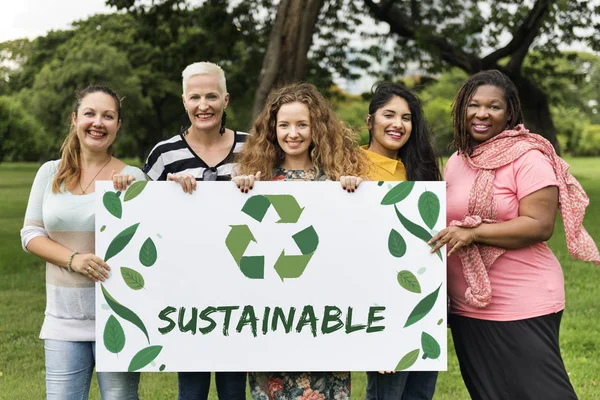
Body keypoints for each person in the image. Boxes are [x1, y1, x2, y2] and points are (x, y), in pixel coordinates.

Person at [429, 69, 600, 400]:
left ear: (509, 113)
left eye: (493, 106)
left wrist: (476, 233)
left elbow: (539, 224)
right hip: (469, 304)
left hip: (522, 299)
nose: (481, 114)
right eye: (473, 105)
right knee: (490, 393)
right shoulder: (457, 160)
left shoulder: (528, 158)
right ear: (461, 109)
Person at [233, 82, 369, 399]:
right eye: (284, 125)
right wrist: (237, 191)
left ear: (315, 129)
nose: (293, 133)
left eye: (301, 125)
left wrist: (354, 192)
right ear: (272, 129)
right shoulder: (258, 183)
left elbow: (354, 245)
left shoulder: (335, 184)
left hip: (323, 322)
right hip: (272, 324)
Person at [20, 84, 144, 399]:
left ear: (119, 125)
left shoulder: (133, 179)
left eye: (108, 116)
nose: (98, 123)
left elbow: (147, 246)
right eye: (90, 114)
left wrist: (131, 198)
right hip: (62, 321)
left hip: (119, 319)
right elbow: (31, 234)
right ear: (74, 120)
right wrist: (73, 258)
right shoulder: (50, 173)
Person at [142, 61, 248, 400]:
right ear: (184, 101)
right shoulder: (164, 154)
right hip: (186, 290)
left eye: (212, 96)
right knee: (191, 388)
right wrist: (166, 192)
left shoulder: (253, 148)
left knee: (234, 388)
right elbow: (142, 218)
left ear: (226, 100)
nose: (204, 105)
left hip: (243, 287)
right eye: (195, 97)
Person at [361, 82, 441, 400]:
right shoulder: (349, 166)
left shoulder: (420, 172)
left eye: (406, 118)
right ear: (370, 121)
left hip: (420, 300)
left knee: (419, 394)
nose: (398, 124)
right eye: (389, 114)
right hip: (379, 303)